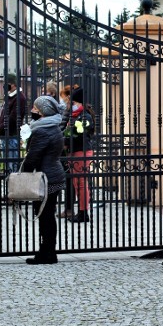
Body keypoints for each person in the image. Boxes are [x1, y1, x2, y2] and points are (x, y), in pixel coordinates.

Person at [20, 95, 66, 264]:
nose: (33, 111)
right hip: (54, 175)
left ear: (43, 112)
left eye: (36, 109)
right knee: (48, 215)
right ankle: (48, 251)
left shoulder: (42, 130)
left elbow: (33, 158)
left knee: (45, 216)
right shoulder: (54, 127)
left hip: (46, 178)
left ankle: (47, 253)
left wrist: (23, 176)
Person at [64, 86, 95, 223]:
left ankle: (83, 212)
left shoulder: (85, 116)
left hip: (81, 151)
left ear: (79, 103)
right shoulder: (76, 115)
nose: (72, 105)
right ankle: (81, 211)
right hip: (74, 151)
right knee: (77, 183)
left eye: (74, 103)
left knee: (81, 183)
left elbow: (79, 135)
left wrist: (65, 139)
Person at [0, 74, 28, 172]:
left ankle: (14, 185)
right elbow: (2, 113)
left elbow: (13, 118)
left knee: (12, 164)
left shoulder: (19, 98)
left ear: (13, 84)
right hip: (4, 133)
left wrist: (0, 128)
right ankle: (9, 183)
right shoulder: (9, 96)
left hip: (12, 134)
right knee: (7, 163)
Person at [57, 84, 76, 218]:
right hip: (67, 146)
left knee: (70, 179)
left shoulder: (72, 109)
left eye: (64, 97)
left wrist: (60, 137)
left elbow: (64, 126)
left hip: (69, 148)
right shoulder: (70, 108)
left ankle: (70, 209)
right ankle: (68, 208)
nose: (63, 100)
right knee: (69, 179)